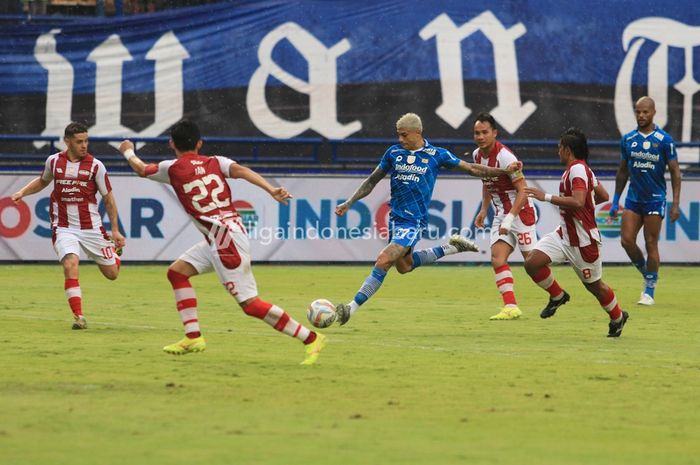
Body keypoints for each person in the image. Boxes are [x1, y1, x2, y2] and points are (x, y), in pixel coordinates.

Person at [118, 120, 326, 365]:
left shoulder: (171, 168)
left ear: (171, 143)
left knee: (250, 304)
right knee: (177, 273)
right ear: (199, 143)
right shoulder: (217, 162)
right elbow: (243, 171)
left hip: (225, 241)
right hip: (225, 235)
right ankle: (193, 337)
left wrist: (127, 150)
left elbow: (141, 168)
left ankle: (311, 338)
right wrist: (270, 189)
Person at [333, 112, 521, 326]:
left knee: (384, 260)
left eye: (404, 135)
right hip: (395, 220)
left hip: (414, 223)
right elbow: (372, 180)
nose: (400, 140)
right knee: (404, 266)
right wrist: (349, 202)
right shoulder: (393, 153)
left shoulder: (436, 154)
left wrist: (504, 171)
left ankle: (350, 307)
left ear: (417, 133)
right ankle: (452, 248)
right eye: (398, 135)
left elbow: (472, 168)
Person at [11, 122, 125, 330]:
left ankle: (114, 254)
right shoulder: (53, 162)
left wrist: (115, 230)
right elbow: (42, 181)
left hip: (92, 227)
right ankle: (79, 317)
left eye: (86, 141)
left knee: (112, 274)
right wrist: (22, 193)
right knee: (70, 264)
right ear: (67, 141)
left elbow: (108, 199)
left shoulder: (96, 166)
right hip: (63, 226)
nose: (84, 145)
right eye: (79, 141)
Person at [524, 128, 629, 337]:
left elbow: (580, 201)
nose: (558, 152)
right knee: (532, 263)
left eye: (559, 148)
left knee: (595, 287)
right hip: (563, 234)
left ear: (567, 150)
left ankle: (618, 317)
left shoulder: (578, 171)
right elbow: (601, 195)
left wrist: (545, 197)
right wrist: (586, 207)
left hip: (583, 241)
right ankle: (558, 295)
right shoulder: (579, 169)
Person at [610, 96, 682, 306]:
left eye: (645, 112)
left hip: (655, 200)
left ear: (653, 112)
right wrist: (615, 200)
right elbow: (622, 172)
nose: (641, 116)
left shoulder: (664, 140)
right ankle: (647, 273)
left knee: (651, 243)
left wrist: (675, 204)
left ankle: (649, 290)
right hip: (633, 199)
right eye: (638, 112)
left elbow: (676, 173)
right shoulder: (628, 139)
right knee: (627, 241)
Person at [472, 113, 537, 320]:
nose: (480, 137)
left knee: (533, 264)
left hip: (521, 211)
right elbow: (486, 181)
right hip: (501, 214)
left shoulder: (506, 157)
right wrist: (484, 209)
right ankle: (510, 306)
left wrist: (510, 218)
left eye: (484, 132)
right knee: (497, 258)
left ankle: (557, 294)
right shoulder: (476, 156)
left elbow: (523, 190)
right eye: (477, 133)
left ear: (494, 133)